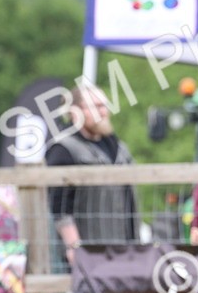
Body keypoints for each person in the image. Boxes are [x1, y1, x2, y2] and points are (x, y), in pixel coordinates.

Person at [46, 84, 140, 268]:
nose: (103, 112)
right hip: (90, 255)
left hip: (125, 250)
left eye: (104, 106)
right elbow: (60, 209)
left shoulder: (117, 146)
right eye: (95, 107)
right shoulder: (63, 149)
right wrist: (76, 249)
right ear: (75, 113)